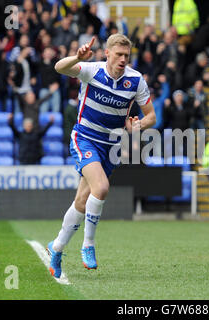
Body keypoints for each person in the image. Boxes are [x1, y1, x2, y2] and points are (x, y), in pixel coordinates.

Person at [47, 34, 156, 278]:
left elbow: (151, 116)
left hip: (111, 145)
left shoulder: (136, 80)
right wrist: (77, 56)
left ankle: (56, 248)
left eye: (126, 56)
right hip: (85, 137)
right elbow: (58, 67)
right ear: (107, 53)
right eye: (118, 54)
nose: (123, 59)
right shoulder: (91, 70)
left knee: (83, 201)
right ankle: (88, 244)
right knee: (102, 187)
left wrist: (138, 126)